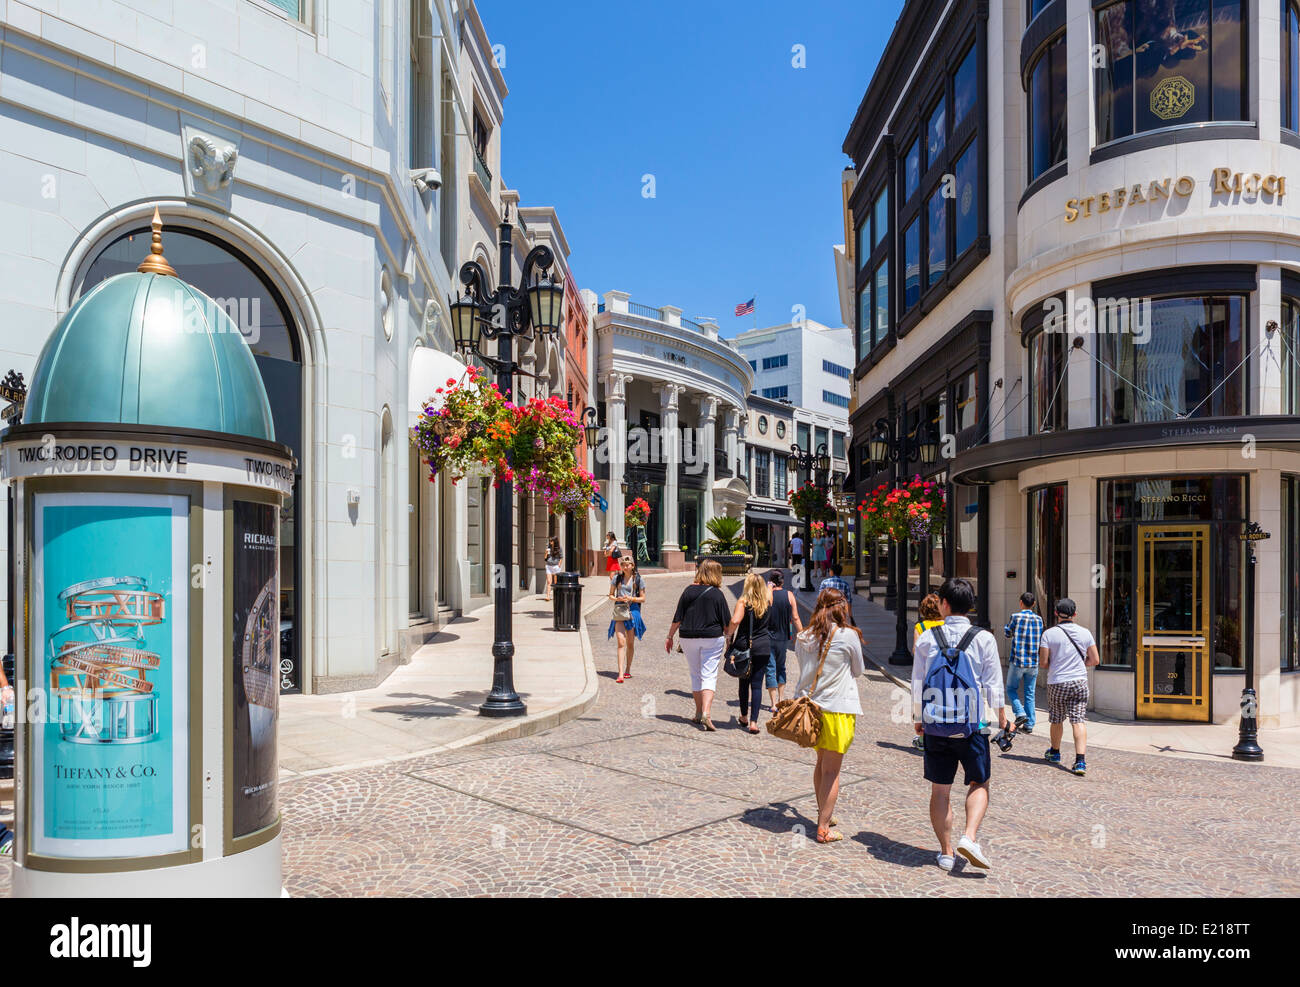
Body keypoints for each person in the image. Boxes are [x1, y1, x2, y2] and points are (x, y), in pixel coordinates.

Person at [912, 577, 1008, 872]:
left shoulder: (927, 638)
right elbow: (993, 684)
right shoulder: (984, 638)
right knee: (980, 782)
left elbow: (917, 683)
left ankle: (945, 852)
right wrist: (1003, 718)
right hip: (973, 725)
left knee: (940, 790)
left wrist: (919, 718)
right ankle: (970, 836)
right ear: (970, 606)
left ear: (943, 604)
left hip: (936, 725)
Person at [793, 588, 865, 844]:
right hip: (838, 708)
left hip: (811, 710)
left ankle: (824, 810)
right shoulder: (849, 636)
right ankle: (823, 828)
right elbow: (858, 670)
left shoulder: (803, 636)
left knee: (821, 763)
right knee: (832, 771)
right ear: (842, 606)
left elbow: (805, 669)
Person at [666, 559, 732, 731]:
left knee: (695, 674)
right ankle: (706, 713)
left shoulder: (688, 590)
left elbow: (678, 617)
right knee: (708, 674)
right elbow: (727, 623)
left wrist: (670, 636)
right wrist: (729, 638)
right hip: (712, 638)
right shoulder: (717, 594)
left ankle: (697, 712)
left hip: (688, 637)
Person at [1039, 598, 1099, 776]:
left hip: (1057, 681)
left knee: (1057, 718)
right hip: (1079, 681)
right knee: (1078, 719)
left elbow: (1043, 662)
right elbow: (1095, 660)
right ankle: (1080, 761)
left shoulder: (1048, 634)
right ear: (1074, 614)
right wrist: (1079, 665)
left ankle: (1055, 752)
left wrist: (1057, 665)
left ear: (1056, 613)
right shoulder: (1085, 633)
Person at [728, 573, 773, 735]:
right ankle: (754, 722)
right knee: (757, 684)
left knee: (743, 682)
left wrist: (728, 636)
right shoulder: (767, 602)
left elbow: (735, 621)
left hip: (744, 646)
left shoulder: (743, 602)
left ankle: (744, 716)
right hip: (763, 647)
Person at [1003, 591, 1044, 734]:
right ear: (1034, 604)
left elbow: (1008, 634)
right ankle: (1030, 724)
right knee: (1030, 693)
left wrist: (1006, 629)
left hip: (1018, 661)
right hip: (1033, 662)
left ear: (1021, 603)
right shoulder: (1039, 619)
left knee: (1010, 689)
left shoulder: (1015, 617)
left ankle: (1020, 713)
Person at [910, 593, 945, 751]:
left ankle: (924, 738)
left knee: (925, 704)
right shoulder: (945, 624)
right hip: (943, 669)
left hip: (926, 672)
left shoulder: (921, 627)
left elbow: (915, 650)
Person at [764, 570, 802, 711]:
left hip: (767, 637)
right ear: (782, 581)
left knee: (770, 668)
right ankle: (781, 699)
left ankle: (773, 703)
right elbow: (795, 617)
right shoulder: (789, 595)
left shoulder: (767, 596)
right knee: (781, 667)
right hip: (783, 637)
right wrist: (801, 635)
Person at [608, 555, 646, 683]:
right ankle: (620, 673)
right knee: (621, 642)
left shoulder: (638, 579)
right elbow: (610, 595)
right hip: (620, 610)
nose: (625, 566)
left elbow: (643, 598)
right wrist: (616, 599)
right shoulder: (616, 578)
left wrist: (631, 598)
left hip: (633, 611)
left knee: (630, 643)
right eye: (623, 564)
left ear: (632, 566)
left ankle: (628, 669)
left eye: (628, 564)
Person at [544, 536, 563, 602]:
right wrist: (546, 553)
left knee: (555, 582)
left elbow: (561, 557)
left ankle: (556, 596)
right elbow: (545, 559)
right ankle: (548, 596)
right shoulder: (548, 548)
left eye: (551, 541)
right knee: (549, 582)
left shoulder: (559, 548)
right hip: (548, 566)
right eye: (550, 541)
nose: (550, 542)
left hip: (555, 567)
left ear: (555, 541)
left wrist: (559, 565)